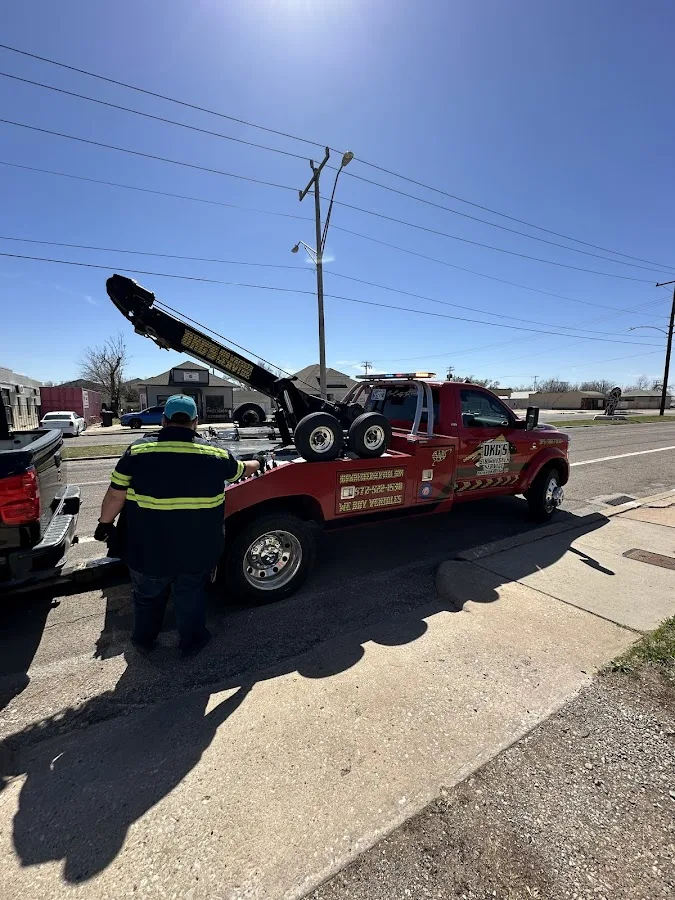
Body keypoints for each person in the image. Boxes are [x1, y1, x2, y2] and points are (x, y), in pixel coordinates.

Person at [94, 394, 260, 656]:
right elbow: (242, 470)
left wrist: (105, 524)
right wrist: (258, 461)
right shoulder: (215, 454)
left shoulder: (138, 451)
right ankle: (191, 643)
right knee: (190, 596)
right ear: (195, 422)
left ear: (164, 420)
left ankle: (144, 641)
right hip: (197, 550)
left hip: (146, 548)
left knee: (147, 597)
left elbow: (116, 495)